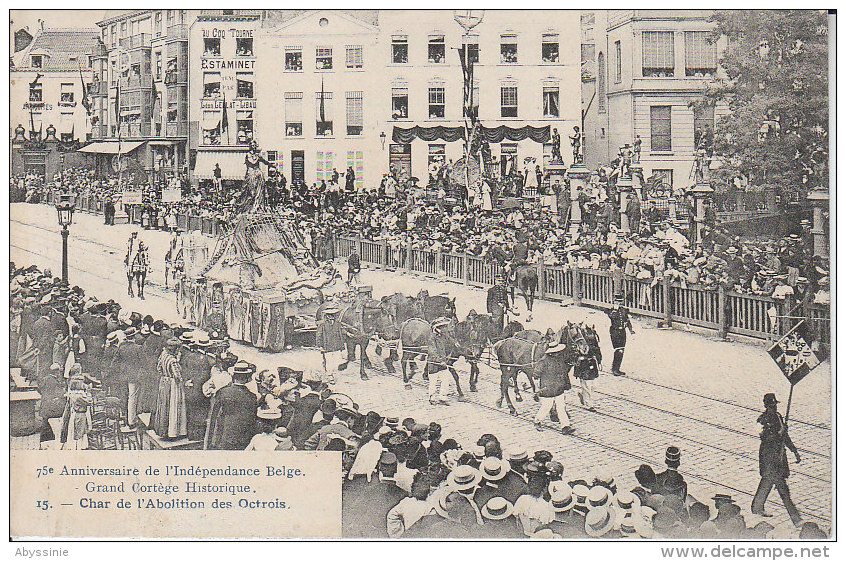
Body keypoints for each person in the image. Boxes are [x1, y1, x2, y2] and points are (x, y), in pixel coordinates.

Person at [751, 393, 802, 525]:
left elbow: (785, 437)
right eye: (771, 405)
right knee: (783, 489)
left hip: (779, 458)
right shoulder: (761, 420)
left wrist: (794, 450)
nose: (773, 408)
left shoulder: (778, 417)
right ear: (766, 406)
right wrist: (779, 433)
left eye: (774, 405)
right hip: (769, 459)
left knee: (767, 483)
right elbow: (765, 439)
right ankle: (796, 519)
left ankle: (756, 507)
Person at [207, 362, 259, 450]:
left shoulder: (223, 392)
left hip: (224, 436)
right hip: (244, 439)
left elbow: (214, 418)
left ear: (233, 376)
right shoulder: (252, 396)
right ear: (247, 379)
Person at [150, 337, 188, 440]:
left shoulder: (163, 355)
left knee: (164, 406)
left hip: (164, 382)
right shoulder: (173, 360)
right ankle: (174, 433)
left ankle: (163, 431)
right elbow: (178, 376)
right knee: (174, 407)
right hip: (173, 384)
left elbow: (158, 369)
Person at [533, 341, 573, 434]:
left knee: (561, 407)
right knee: (547, 406)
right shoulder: (543, 361)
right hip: (548, 389)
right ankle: (537, 421)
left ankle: (565, 426)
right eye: (557, 352)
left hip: (559, 388)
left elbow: (563, 373)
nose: (558, 353)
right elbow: (536, 374)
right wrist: (537, 388)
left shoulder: (559, 360)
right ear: (552, 352)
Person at [606, 294, 634, 376]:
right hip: (615, 331)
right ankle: (615, 369)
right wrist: (615, 309)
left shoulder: (624, 310)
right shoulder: (611, 310)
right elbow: (612, 317)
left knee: (622, 350)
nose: (619, 303)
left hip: (622, 331)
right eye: (617, 302)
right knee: (618, 350)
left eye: (620, 302)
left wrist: (631, 330)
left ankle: (617, 368)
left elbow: (627, 321)